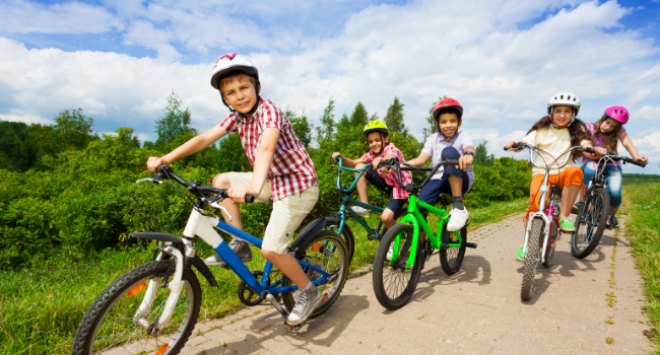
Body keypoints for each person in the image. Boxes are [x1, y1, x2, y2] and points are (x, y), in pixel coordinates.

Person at [146, 53, 321, 326]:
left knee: (272, 250)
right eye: (231, 92)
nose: (239, 96)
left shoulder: (269, 112)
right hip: (273, 181)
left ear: (257, 88)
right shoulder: (237, 119)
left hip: (297, 185)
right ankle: (239, 245)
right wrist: (166, 159)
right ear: (225, 99)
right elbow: (204, 138)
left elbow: (266, 149)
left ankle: (309, 291)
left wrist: (252, 187)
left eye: (244, 88)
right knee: (221, 181)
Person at [505, 92, 597, 238]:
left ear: (574, 114)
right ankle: (529, 242)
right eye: (558, 111)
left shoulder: (577, 130)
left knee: (575, 171)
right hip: (542, 172)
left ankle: (564, 217)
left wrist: (593, 150)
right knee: (535, 206)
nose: (562, 115)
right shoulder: (541, 130)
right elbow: (525, 142)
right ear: (551, 112)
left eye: (567, 111)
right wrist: (515, 145)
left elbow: (585, 144)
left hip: (563, 174)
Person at [406, 98, 475, 254]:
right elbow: (421, 159)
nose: (448, 125)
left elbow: (469, 147)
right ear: (437, 124)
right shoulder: (433, 139)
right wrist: (401, 165)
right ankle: (422, 247)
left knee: (449, 152)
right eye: (443, 122)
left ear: (460, 122)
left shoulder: (463, 136)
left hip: (460, 179)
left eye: (452, 121)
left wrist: (469, 153)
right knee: (418, 209)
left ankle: (458, 207)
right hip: (437, 179)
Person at [331, 120, 412, 229]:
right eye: (370, 142)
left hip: (400, 186)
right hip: (387, 182)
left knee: (386, 218)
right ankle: (365, 208)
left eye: (377, 140)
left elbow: (391, 156)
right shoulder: (372, 154)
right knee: (359, 167)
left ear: (386, 139)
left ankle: (396, 240)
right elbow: (354, 162)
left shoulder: (390, 148)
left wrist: (382, 159)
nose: (374, 144)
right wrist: (340, 157)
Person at [579, 106, 648, 229]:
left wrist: (637, 157)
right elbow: (585, 142)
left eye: (612, 127)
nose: (608, 127)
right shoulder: (590, 126)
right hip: (592, 159)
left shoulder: (619, 131)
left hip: (611, 162)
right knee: (590, 172)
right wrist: (594, 149)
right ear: (603, 118)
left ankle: (611, 216)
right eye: (607, 123)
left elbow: (628, 144)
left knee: (615, 193)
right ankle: (582, 203)